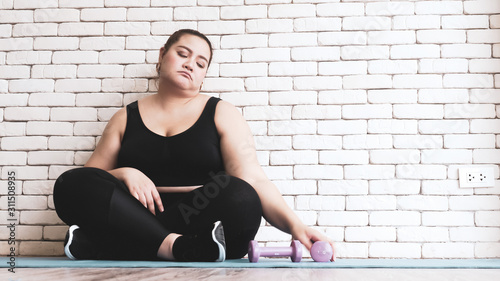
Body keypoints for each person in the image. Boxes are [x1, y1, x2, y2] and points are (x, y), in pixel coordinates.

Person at [53, 29, 335, 262]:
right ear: (162, 55)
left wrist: (296, 227)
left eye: (201, 63)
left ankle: (109, 246)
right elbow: (90, 179)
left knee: (242, 195)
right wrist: (125, 172)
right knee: (68, 184)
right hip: (137, 214)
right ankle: (177, 247)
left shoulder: (222, 112)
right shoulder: (125, 117)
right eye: (183, 54)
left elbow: (254, 179)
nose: (190, 64)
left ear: (203, 75)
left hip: (202, 217)